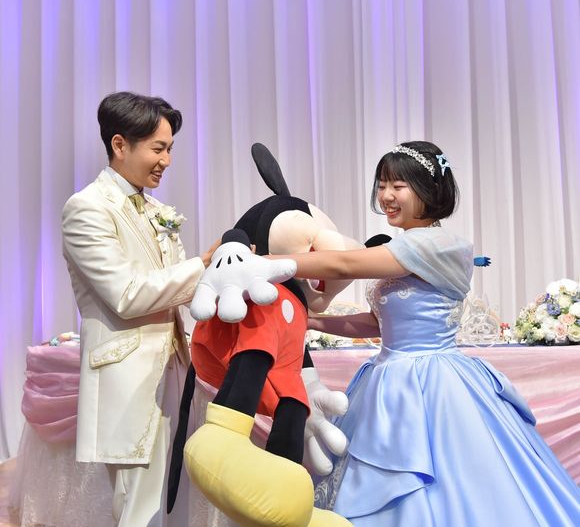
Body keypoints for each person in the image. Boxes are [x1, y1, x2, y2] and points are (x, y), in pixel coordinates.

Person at [269, 141, 580, 526]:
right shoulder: (409, 245)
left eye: (398, 186)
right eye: (382, 185)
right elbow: (377, 325)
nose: (386, 195)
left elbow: (344, 264)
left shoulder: (437, 244)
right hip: (388, 376)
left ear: (428, 191)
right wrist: (313, 321)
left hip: (432, 381)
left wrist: (267, 261)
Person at [61, 91, 221, 526]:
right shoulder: (88, 208)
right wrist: (204, 265)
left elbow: (178, 291)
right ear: (119, 144)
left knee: (173, 502)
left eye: (170, 149)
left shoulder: (157, 210)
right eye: (158, 148)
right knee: (140, 508)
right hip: (129, 380)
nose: (166, 160)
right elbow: (126, 295)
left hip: (175, 373)